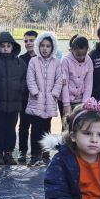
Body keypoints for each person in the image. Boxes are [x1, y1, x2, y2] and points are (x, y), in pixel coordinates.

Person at [23, 31, 61, 165]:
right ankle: (34, 155)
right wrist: (36, 92)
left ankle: (45, 155)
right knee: (35, 129)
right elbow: (30, 78)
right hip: (36, 101)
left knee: (46, 129)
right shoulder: (33, 61)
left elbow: (59, 80)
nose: (45, 48)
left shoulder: (56, 63)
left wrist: (54, 93)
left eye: (48, 46)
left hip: (49, 102)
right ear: (38, 46)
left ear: (52, 47)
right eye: (42, 45)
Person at [0, 30, 27, 166]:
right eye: (3, 46)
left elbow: (25, 80)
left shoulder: (20, 63)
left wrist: (20, 91)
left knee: (11, 130)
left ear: (13, 47)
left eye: (8, 46)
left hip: (14, 103)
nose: (6, 49)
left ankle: (9, 153)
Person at [55, 35, 94, 120]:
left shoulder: (89, 61)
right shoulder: (65, 61)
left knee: (80, 126)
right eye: (78, 55)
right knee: (67, 126)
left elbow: (88, 84)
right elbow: (64, 84)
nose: (81, 57)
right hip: (65, 100)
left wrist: (84, 103)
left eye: (84, 54)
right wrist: (66, 104)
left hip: (80, 100)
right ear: (72, 50)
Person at [16, 30, 38, 159]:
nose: (29, 43)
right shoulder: (21, 60)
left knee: (40, 126)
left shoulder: (43, 58)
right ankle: (22, 151)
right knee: (24, 125)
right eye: (26, 41)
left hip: (40, 99)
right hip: (25, 99)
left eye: (31, 40)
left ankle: (40, 152)